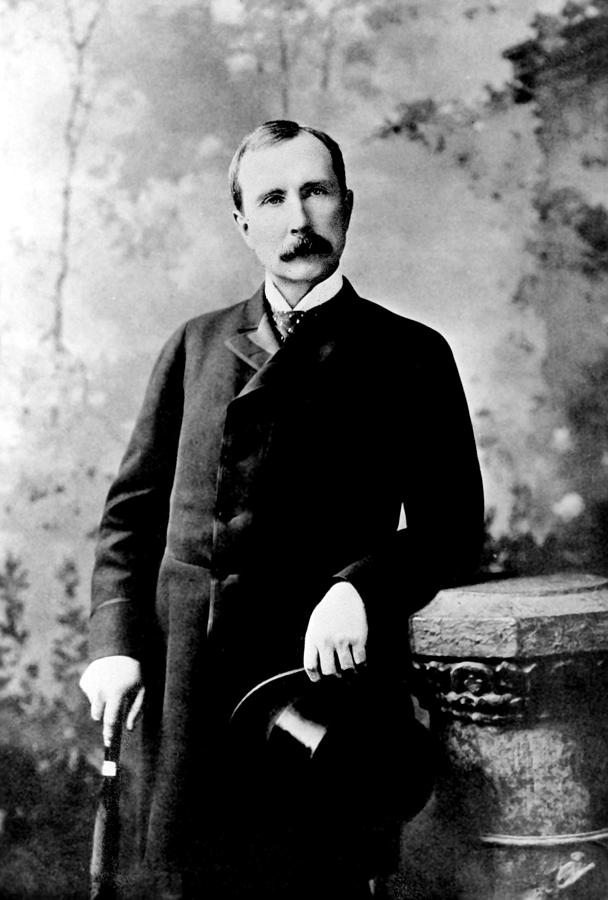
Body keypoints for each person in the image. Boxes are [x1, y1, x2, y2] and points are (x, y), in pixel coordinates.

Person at [80, 120, 484, 899]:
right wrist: (114, 642)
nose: (297, 217)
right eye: (273, 197)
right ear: (243, 223)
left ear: (347, 206)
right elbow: (130, 518)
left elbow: (449, 532)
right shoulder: (194, 347)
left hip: (321, 696)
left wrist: (360, 587)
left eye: (316, 191)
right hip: (194, 690)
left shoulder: (409, 353)